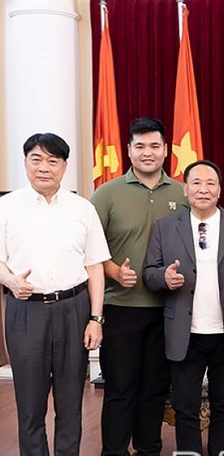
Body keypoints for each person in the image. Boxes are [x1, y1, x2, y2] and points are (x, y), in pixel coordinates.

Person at [0, 133, 110, 456]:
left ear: (64, 167)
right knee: (30, 405)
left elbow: (95, 268)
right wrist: (9, 281)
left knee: (70, 401)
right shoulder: (6, 207)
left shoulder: (83, 208)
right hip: (25, 310)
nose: (44, 167)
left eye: (52, 161)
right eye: (36, 159)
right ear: (25, 163)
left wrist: (96, 319)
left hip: (73, 310)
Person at [143, 159, 224, 455]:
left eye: (210, 183)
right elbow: (149, 272)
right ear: (184, 189)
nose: (203, 189)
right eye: (196, 182)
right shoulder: (165, 227)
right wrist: (164, 278)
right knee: (186, 407)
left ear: (220, 190)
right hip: (185, 333)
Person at [91, 117, 187, 456]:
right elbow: (87, 248)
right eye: (140, 146)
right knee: (119, 390)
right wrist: (115, 271)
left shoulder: (182, 192)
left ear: (166, 150)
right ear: (129, 150)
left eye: (155, 146)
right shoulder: (106, 194)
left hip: (169, 310)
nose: (148, 153)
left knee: (154, 391)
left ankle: (149, 450)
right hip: (120, 309)